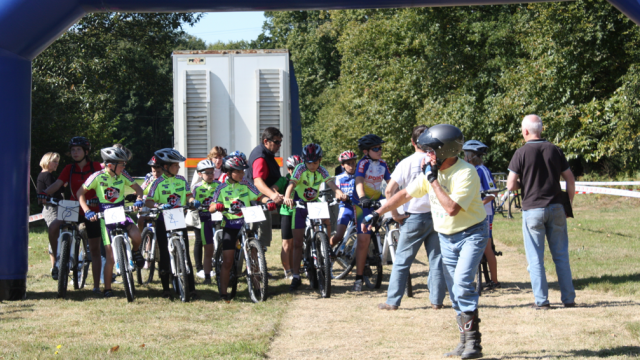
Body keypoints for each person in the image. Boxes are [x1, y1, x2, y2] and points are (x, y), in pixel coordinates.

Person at [363, 124, 487, 359]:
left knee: (461, 283)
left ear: (446, 151)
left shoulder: (465, 173)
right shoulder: (431, 172)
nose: (427, 155)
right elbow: (404, 194)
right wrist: (378, 212)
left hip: (470, 233)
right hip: (446, 236)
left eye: (430, 151)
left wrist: (433, 180)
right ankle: (463, 342)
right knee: (455, 290)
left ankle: (474, 343)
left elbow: (451, 208)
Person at [507, 114, 576, 310]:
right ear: (541, 130)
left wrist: (524, 183)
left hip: (532, 209)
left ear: (526, 131)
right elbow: (570, 180)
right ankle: (569, 298)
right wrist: (567, 203)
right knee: (561, 255)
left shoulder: (520, 153)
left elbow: (511, 185)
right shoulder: (555, 150)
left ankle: (542, 301)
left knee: (535, 257)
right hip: (556, 207)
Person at [378, 125, 447, 311]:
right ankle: (437, 301)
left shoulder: (406, 163)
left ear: (412, 142)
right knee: (437, 260)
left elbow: (389, 190)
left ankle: (392, 301)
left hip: (413, 216)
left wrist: (395, 214)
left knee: (402, 261)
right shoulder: (437, 160)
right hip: (436, 215)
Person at [77, 146, 146, 298]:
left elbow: (139, 189)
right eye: (121, 164)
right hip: (105, 217)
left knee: (136, 235)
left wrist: (139, 200)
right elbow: (80, 193)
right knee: (111, 257)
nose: (124, 166)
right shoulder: (97, 176)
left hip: (121, 213)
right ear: (110, 165)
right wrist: (87, 210)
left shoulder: (123, 175)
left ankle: (136, 252)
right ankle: (107, 288)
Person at [39, 137, 103, 294]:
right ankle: (57, 263)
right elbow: (57, 184)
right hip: (73, 206)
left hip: (91, 208)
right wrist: (43, 193)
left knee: (94, 249)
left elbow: (107, 181)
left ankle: (96, 286)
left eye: (78, 149)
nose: (75, 152)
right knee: (54, 226)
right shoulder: (69, 168)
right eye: (73, 150)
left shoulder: (95, 166)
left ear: (86, 152)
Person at [209, 153, 277, 302]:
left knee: (254, 255)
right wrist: (218, 206)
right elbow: (211, 207)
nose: (242, 174)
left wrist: (269, 201)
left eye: (243, 171)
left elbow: (259, 196)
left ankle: (258, 287)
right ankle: (223, 292)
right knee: (227, 261)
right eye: (238, 171)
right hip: (230, 226)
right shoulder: (221, 188)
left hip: (246, 223)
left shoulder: (246, 184)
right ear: (229, 172)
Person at [283, 143, 343, 291]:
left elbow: (331, 184)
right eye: (309, 162)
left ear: (320, 160)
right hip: (300, 205)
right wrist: (287, 196)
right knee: (297, 243)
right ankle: (296, 276)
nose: (312, 166)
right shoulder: (299, 168)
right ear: (304, 161)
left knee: (327, 220)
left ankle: (325, 247)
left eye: (315, 162)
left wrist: (339, 192)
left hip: (314, 204)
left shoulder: (322, 170)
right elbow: (291, 184)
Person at [144, 148, 201, 300]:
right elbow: (149, 201)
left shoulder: (181, 180)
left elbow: (188, 196)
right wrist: (158, 206)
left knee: (185, 254)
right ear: (166, 167)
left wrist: (192, 202)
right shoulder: (157, 183)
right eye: (176, 165)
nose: (179, 167)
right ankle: (165, 289)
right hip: (163, 220)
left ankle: (191, 289)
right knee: (164, 253)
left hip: (179, 218)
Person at [352, 134, 391, 292]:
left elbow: (391, 183)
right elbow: (359, 181)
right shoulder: (363, 163)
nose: (380, 150)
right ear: (366, 151)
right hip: (363, 204)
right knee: (363, 240)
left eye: (381, 148)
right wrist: (362, 198)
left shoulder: (383, 164)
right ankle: (358, 278)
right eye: (376, 148)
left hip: (378, 201)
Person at [463, 140, 500, 290]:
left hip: (485, 212)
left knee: (486, 246)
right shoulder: (467, 170)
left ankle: (495, 280)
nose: (464, 157)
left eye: (465, 155)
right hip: (471, 212)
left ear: (471, 156)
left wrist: (480, 203)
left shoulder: (482, 170)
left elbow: (493, 193)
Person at [245, 127, 285, 253]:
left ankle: (257, 269)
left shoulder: (266, 153)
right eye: (276, 142)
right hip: (256, 201)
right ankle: (255, 270)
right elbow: (258, 182)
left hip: (261, 199)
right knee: (258, 237)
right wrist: (273, 196)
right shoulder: (261, 157)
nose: (279, 145)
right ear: (266, 141)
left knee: (261, 238)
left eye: (280, 142)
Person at [192, 146, 227, 278]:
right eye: (207, 173)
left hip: (219, 218)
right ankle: (207, 275)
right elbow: (190, 200)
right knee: (208, 249)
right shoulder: (196, 187)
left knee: (223, 245)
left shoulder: (220, 185)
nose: (211, 175)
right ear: (200, 174)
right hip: (204, 218)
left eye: (212, 172)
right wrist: (192, 204)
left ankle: (224, 272)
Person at [37, 152, 63, 269]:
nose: (57, 164)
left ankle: (56, 265)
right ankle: (55, 266)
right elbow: (52, 191)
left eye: (58, 162)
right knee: (55, 234)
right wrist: (63, 185)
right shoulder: (47, 175)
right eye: (55, 162)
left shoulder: (44, 174)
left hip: (52, 208)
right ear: (48, 161)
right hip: (51, 208)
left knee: (57, 234)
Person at [280, 155, 303, 279]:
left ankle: (295, 269)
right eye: (294, 169)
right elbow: (274, 190)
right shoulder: (284, 180)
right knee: (287, 244)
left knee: (297, 243)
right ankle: (287, 271)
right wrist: (282, 197)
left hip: (300, 212)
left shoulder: (303, 179)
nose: (297, 172)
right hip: (287, 213)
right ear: (289, 170)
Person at [329, 151, 357, 249]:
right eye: (348, 164)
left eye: (353, 163)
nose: (351, 166)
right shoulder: (339, 178)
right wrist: (341, 196)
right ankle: (326, 250)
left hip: (358, 209)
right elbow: (337, 195)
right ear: (343, 165)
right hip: (346, 208)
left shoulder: (360, 176)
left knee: (364, 235)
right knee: (339, 236)